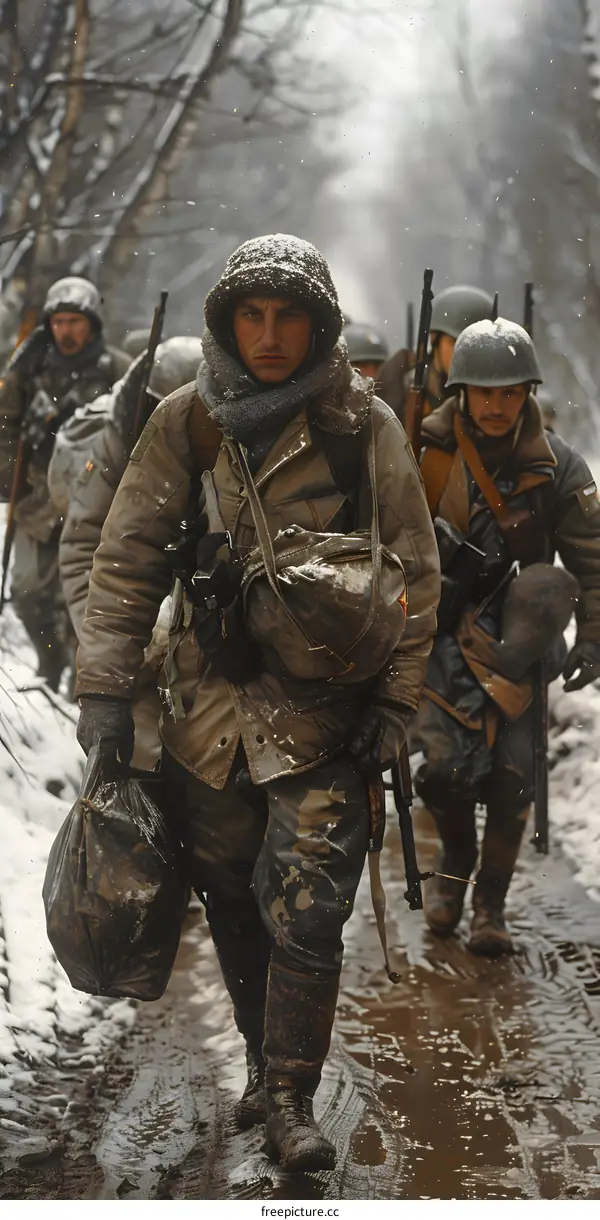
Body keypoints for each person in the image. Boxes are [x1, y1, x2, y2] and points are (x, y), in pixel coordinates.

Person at [74, 233, 440, 1172]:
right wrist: (108, 689)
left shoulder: (362, 424)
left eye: (288, 317)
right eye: (253, 315)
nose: (271, 335)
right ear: (228, 323)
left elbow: (414, 567)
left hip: (326, 708)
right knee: (231, 896)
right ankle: (258, 1056)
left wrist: (397, 702)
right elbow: (126, 558)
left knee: (312, 906)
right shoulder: (188, 422)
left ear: (317, 324)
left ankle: (289, 1094)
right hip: (208, 710)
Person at [415, 317, 600, 956]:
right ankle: (452, 871)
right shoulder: (421, 453)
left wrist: (592, 637)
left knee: (514, 780)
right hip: (441, 638)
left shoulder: (558, 466)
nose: (497, 406)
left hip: (522, 641)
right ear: (460, 390)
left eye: (511, 392)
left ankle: (489, 906)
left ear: (527, 393)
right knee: (443, 774)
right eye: (485, 392)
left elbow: (591, 557)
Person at [50, 336, 204, 767]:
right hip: (127, 616)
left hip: (200, 633)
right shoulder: (117, 438)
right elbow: (85, 545)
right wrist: (112, 652)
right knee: (130, 767)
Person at [0, 276, 128, 688]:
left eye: (75, 321)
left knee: (84, 599)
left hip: (93, 503)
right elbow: (5, 427)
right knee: (25, 592)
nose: (66, 330)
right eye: (59, 322)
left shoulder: (116, 370)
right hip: (36, 498)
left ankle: (82, 679)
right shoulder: (28, 370)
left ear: (90, 323)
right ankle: (49, 663)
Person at [379, 284, 495, 425]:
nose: (465, 353)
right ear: (435, 340)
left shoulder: (499, 392)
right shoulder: (400, 386)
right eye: (455, 342)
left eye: (475, 346)